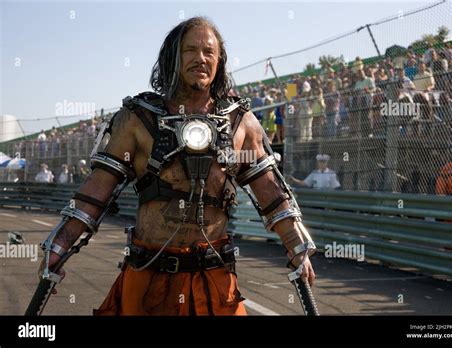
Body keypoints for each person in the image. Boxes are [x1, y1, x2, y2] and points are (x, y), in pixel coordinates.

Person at [37, 16, 316, 316]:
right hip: (147, 280)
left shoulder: (240, 122)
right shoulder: (138, 118)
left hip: (215, 281)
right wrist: (58, 247)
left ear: (220, 60)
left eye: (209, 52)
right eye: (190, 50)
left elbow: (272, 195)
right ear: (173, 57)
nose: (201, 59)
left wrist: (298, 247)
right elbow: (96, 191)